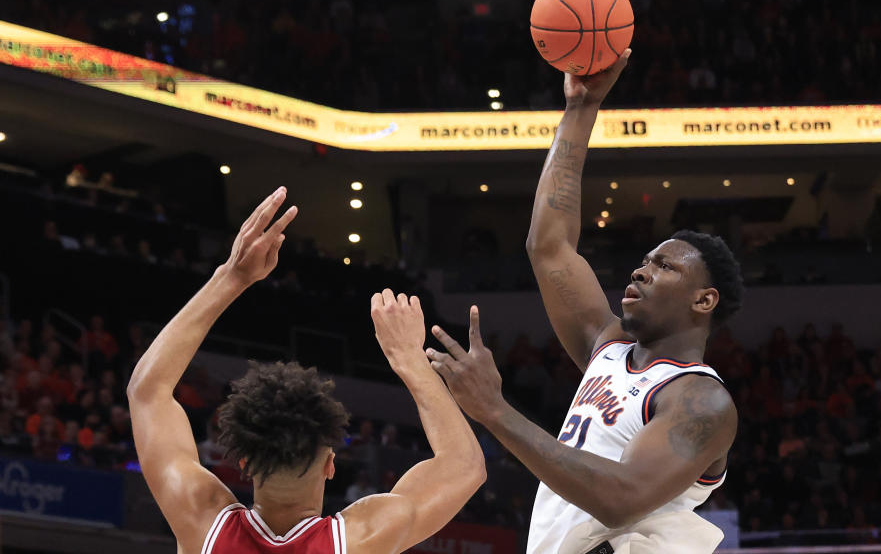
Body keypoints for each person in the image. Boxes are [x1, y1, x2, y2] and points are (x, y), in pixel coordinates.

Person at [426, 51, 743, 554]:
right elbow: (548, 246)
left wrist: (494, 410)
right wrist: (581, 108)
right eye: (645, 260)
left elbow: (623, 499)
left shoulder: (700, 400)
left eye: (665, 267)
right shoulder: (610, 346)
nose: (641, 270)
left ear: (704, 299)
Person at [127, 187, 484, 554]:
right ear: (331, 465)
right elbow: (464, 466)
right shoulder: (364, 538)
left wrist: (231, 277)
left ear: (245, 464)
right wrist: (408, 359)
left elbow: (147, 391)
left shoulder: (202, 523)